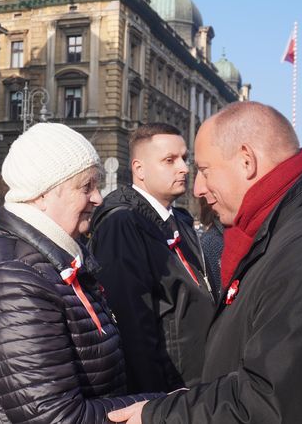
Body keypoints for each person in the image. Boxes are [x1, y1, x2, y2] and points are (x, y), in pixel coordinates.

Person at [109, 101, 302, 423]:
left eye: (205, 171)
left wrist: (162, 416)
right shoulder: (288, 231)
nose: (198, 187)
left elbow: (272, 404)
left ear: (247, 161)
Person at [0, 123, 158, 423]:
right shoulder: (13, 277)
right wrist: (158, 408)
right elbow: (54, 416)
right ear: (42, 195)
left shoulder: (55, 260)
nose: (98, 198)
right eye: (86, 186)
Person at [89, 123, 215, 394]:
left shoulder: (178, 218)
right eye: (169, 160)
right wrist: (156, 403)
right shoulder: (122, 223)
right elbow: (133, 323)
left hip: (197, 382)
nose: (183, 168)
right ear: (139, 169)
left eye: (184, 158)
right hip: (170, 390)